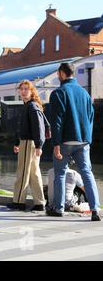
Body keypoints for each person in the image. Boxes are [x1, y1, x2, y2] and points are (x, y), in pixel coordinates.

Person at [48, 62, 101, 221]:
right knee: (87, 173)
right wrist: (88, 139)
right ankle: (95, 210)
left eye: (58, 74)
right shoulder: (85, 94)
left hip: (64, 141)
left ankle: (59, 208)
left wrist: (56, 144)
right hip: (83, 141)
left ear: (61, 74)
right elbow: (91, 117)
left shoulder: (58, 93)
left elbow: (56, 121)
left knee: (60, 174)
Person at [7, 80, 46, 211]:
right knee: (34, 173)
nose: (23, 91)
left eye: (26, 89)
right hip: (27, 142)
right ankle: (40, 203)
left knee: (22, 173)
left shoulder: (32, 106)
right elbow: (22, 127)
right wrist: (17, 142)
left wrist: (39, 145)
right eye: (21, 89)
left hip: (30, 143)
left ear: (31, 91)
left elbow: (38, 127)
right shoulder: (28, 106)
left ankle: (19, 202)